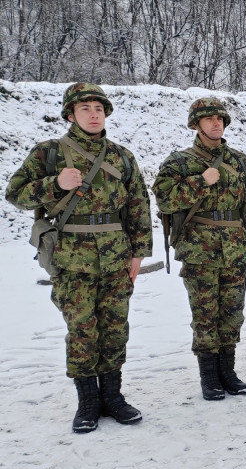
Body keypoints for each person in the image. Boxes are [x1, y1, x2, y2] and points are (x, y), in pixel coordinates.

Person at [5, 83, 152, 433]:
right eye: (85, 108)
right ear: (70, 114)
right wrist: (55, 183)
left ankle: (113, 397)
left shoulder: (121, 156)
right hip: (72, 259)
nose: (94, 113)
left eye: (99, 107)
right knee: (83, 331)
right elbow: (15, 194)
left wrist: (139, 253)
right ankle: (88, 402)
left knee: (115, 330)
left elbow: (138, 205)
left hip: (117, 257)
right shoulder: (50, 153)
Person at [152, 97, 246, 400]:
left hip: (234, 247)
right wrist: (199, 182)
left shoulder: (240, 161)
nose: (216, 123)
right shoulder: (179, 162)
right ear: (196, 124)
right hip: (199, 249)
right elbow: (165, 200)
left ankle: (227, 371)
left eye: (220, 118)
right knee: (205, 314)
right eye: (209, 119)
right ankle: (209, 376)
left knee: (232, 313)